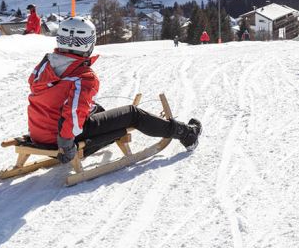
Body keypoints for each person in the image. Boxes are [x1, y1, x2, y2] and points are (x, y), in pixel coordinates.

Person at [27, 16, 201, 163]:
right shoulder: (84, 76)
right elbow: (74, 111)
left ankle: (101, 133)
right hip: (62, 140)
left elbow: (47, 95)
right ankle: (186, 134)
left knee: (97, 109)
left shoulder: (44, 65)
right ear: (89, 43)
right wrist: (65, 142)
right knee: (132, 113)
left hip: (39, 133)